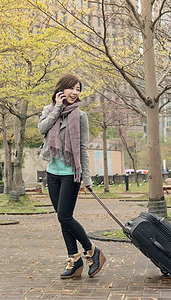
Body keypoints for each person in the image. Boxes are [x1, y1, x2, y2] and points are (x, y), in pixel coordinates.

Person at [38, 74, 106, 279]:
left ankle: (92, 251)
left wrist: (88, 179)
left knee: (64, 216)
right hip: (53, 173)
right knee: (63, 219)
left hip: (71, 174)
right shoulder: (48, 111)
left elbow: (83, 149)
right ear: (61, 89)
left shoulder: (81, 116)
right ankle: (74, 260)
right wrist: (57, 109)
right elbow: (42, 128)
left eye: (78, 89)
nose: (75, 93)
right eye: (72, 88)